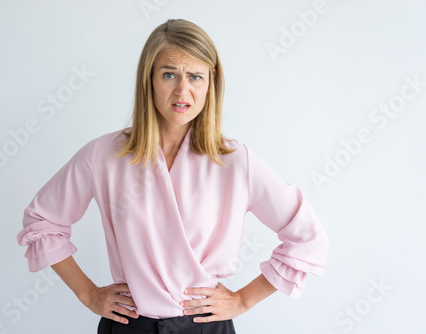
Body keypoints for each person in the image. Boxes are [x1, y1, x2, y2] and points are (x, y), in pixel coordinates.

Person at [17, 19, 329, 334]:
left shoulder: (235, 162)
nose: (183, 91)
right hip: (128, 326)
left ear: (211, 82)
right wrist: (88, 293)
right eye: (169, 74)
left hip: (205, 326)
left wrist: (243, 300)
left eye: (195, 76)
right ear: (149, 79)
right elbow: (42, 221)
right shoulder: (105, 154)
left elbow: (307, 238)